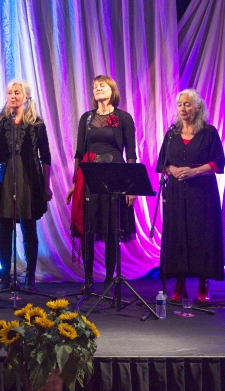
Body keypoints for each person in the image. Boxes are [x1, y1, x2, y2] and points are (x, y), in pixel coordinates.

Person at [66, 75, 136, 294]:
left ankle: (108, 280)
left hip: (115, 175)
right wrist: (75, 182)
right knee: (88, 228)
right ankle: (88, 280)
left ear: (112, 89)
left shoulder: (124, 118)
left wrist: (131, 186)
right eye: (95, 86)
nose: (97, 88)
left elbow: (131, 154)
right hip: (90, 177)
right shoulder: (86, 118)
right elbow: (79, 154)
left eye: (102, 85)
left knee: (112, 229)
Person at [156, 89, 225, 303]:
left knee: (201, 236)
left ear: (198, 107)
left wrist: (195, 171)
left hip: (202, 193)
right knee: (178, 235)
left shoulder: (209, 132)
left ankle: (203, 284)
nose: (183, 108)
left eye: (187, 104)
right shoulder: (172, 133)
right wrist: (173, 169)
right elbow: (162, 163)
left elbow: (218, 163)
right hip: (176, 192)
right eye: (180, 105)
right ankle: (179, 284)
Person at [0, 80, 53, 291]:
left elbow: (46, 157)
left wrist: (46, 185)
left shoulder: (37, 124)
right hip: (4, 179)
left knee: (29, 227)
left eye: (17, 92)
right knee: (4, 227)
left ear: (26, 96)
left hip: (29, 180)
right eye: (10, 93)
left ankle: (30, 277)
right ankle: (6, 277)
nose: (13, 96)